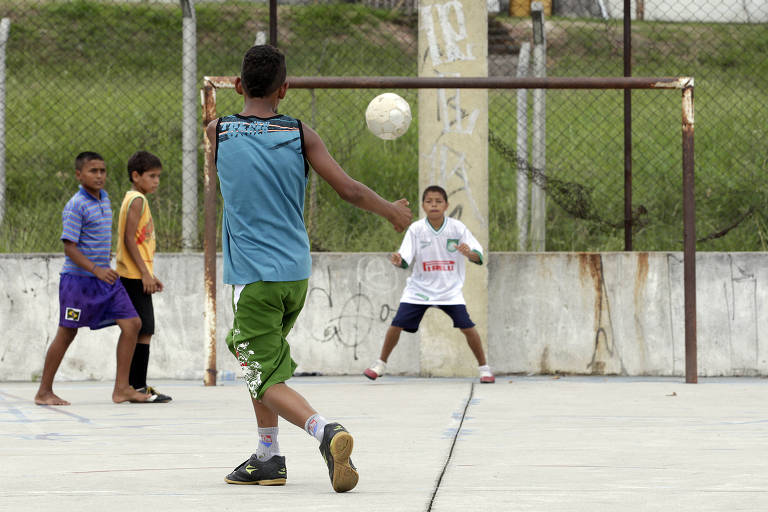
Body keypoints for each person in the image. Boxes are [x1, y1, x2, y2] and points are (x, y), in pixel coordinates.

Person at [205, 45, 412, 492]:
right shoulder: (301, 134)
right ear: (285, 88)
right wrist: (392, 212)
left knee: (257, 371)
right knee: (267, 364)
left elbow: (226, 147)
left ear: (238, 86)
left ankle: (325, 432)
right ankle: (267, 456)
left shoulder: (218, 131)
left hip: (253, 279)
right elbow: (350, 190)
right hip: (295, 275)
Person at [34, 152, 149, 406]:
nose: (99, 176)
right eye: (93, 171)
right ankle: (44, 391)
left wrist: (106, 266)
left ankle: (122, 388)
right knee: (67, 333)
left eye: (103, 171)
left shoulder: (104, 199)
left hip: (106, 279)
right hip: (78, 283)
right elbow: (70, 248)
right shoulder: (76, 205)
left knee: (132, 324)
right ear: (79, 175)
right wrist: (96, 269)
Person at [363, 185, 496, 384]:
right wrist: (400, 261)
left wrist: (470, 254)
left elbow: (477, 255)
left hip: (449, 291)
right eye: (429, 201)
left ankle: (484, 369)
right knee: (396, 325)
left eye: (438, 201)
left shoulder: (457, 228)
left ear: (446, 205)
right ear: (423, 205)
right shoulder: (416, 229)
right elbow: (405, 257)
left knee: (467, 327)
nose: (434, 205)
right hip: (420, 290)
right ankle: (380, 364)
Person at [115, 150, 171, 403]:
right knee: (143, 329)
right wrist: (145, 274)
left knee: (144, 329)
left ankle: (137, 385)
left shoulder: (134, 198)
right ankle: (135, 387)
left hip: (138, 274)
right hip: (134, 276)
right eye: (151, 176)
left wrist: (150, 273)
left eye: (158, 176)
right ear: (135, 176)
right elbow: (129, 239)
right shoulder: (137, 199)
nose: (156, 181)